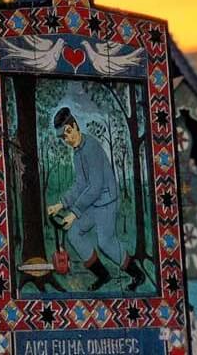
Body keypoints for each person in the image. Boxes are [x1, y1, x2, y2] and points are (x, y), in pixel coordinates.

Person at [47, 107, 146, 291]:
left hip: (106, 201)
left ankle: (137, 275)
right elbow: (80, 184)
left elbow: (95, 187)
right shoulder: (77, 152)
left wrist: (74, 214)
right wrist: (61, 204)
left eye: (68, 133)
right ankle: (103, 275)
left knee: (105, 242)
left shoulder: (91, 148)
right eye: (63, 137)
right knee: (74, 233)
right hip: (93, 203)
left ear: (75, 126)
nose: (67, 139)